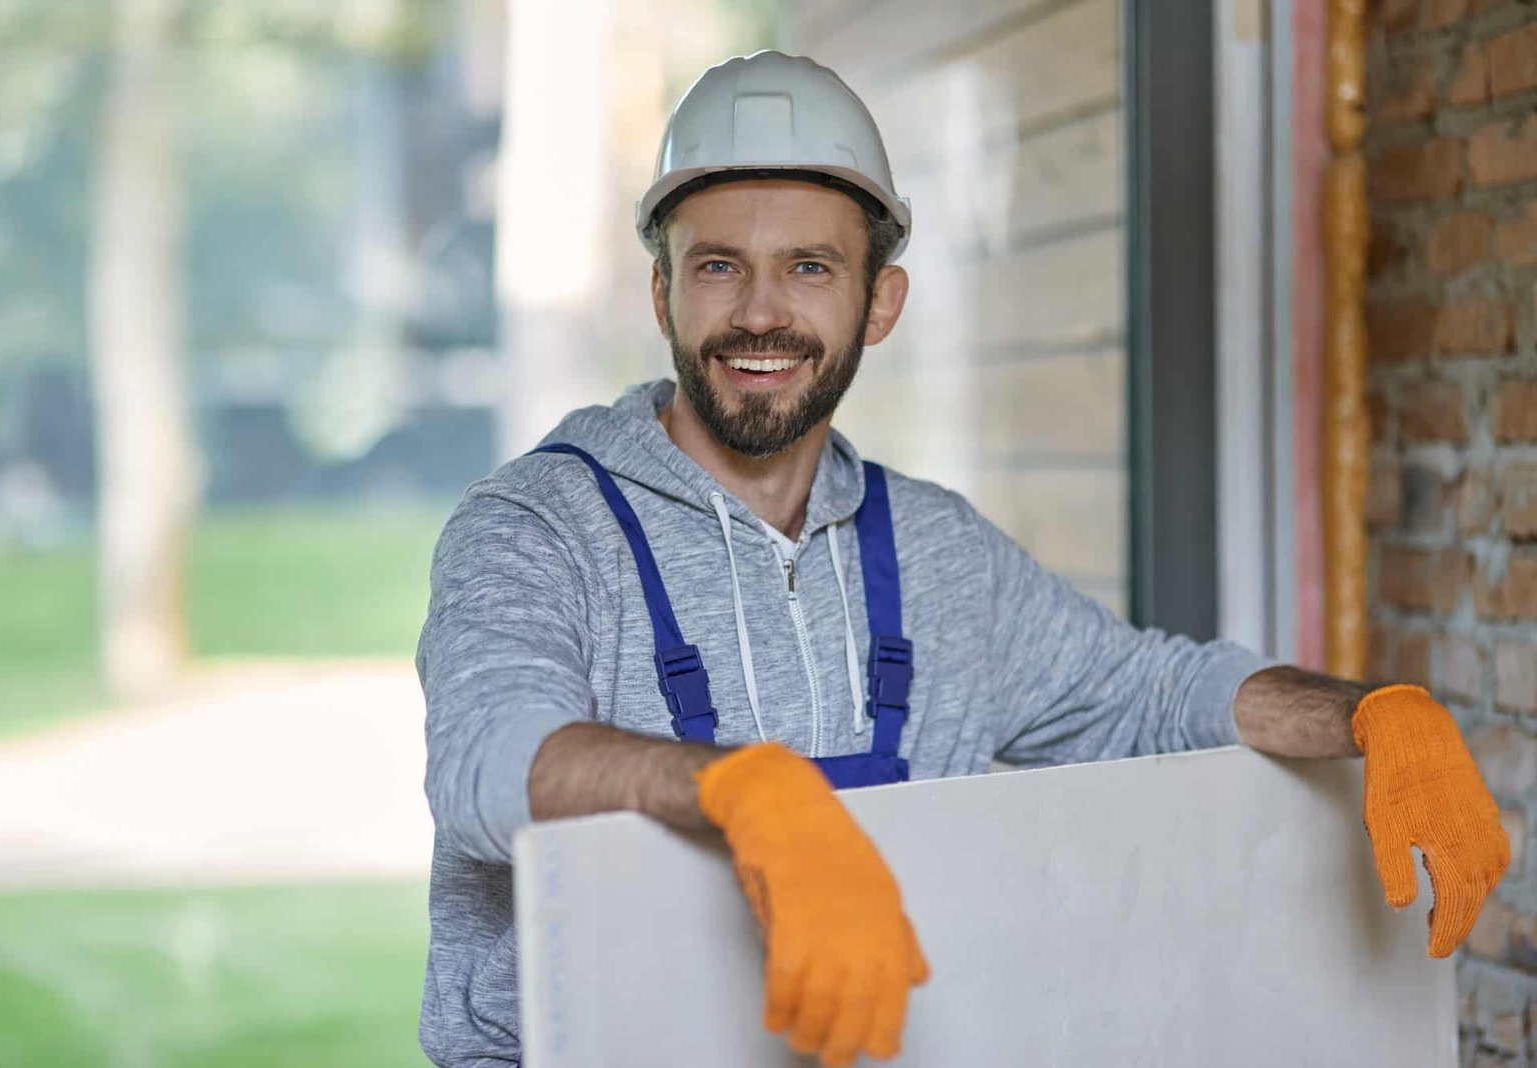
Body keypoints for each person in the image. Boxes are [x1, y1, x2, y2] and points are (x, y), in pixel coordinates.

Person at [416, 51, 1508, 1068]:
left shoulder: (935, 552)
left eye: (808, 267)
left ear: (877, 302)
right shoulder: (536, 525)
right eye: (715, 267)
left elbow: (1147, 695)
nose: (759, 313)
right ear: (660, 294)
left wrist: (1367, 715)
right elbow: (484, 762)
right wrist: (736, 790)